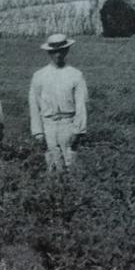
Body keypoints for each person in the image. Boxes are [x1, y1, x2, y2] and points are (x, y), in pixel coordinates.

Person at [29, 33, 88, 171]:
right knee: (52, 167)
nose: (58, 55)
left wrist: (78, 131)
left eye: (61, 50)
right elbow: (34, 105)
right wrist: (38, 132)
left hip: (69, 125)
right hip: (48, 126)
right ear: (49, 52)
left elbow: (81, 105)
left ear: (66, 50)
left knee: (71, 166)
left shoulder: (75, 75)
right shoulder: (39, 76)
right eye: (54, 51)